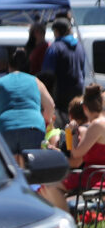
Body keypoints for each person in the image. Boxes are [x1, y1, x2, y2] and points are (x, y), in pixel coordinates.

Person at [0, 45, 54, 160]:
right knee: (31, 167)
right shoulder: (36, 81)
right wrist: (46, 120)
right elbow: (50, 106)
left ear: (9, 65)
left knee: (10, 167)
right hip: (34, 127)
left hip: (6, 127)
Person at [42, 82, 105, 210]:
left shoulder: (97, 125)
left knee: (49, 186)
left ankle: (66, 218)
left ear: (85, 109)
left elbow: (76, 154)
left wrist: (74, 132)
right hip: (97, 174)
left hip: (94, 177)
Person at [41, 17, 87, 127]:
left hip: (59, 99)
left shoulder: (55, 48)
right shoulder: (80, 47)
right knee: (75, 130)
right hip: (77, 96)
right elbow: (83, 72)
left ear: (56, 31)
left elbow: (47, 75)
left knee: (60, 132)